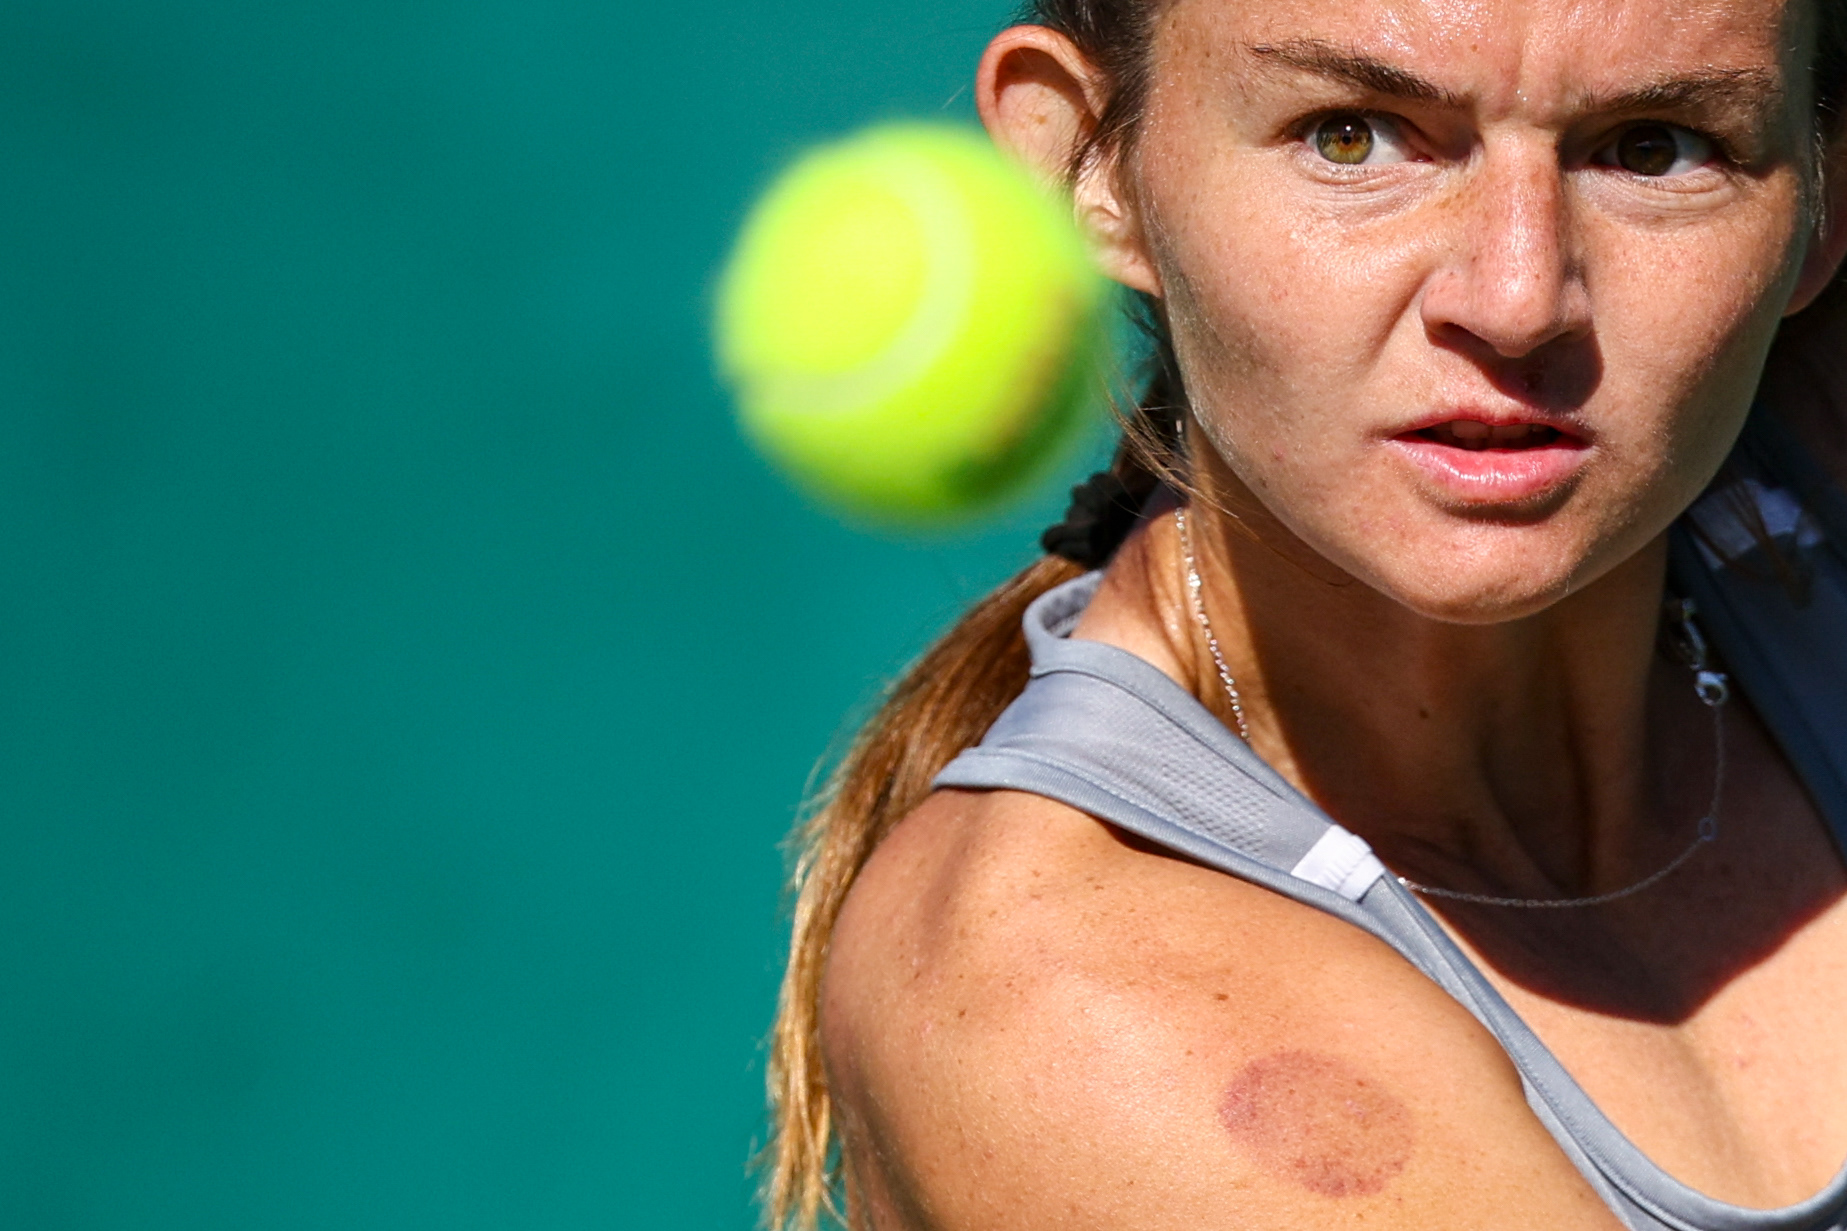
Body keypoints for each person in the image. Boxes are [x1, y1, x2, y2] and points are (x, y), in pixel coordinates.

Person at [764, 0, 1847, 1225]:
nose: (1515, 296)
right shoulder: (1069, 1007)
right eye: (1351, 135)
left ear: (1822, 198)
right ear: (1087, 160)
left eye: (1652, 147)